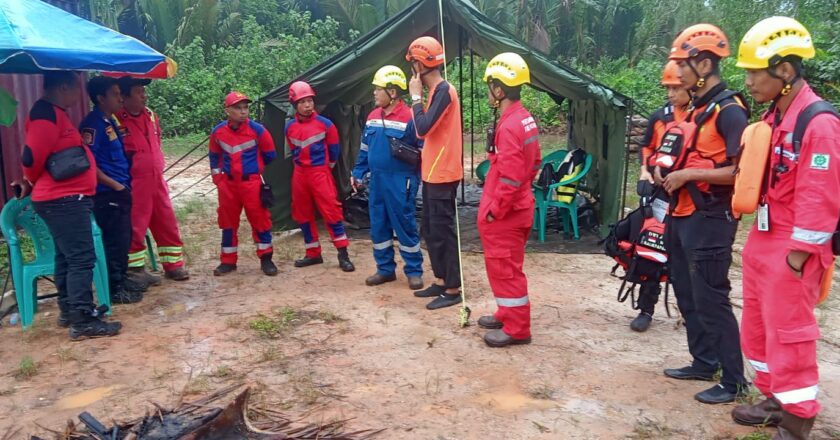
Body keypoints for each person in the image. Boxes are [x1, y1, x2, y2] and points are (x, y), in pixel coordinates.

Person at [731, 17, 839, 439]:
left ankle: (799, 417)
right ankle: (776, 396)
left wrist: (798, 255)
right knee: (757, 326)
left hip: (793, 247)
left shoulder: (819, 122)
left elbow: (821, 195)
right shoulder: (777, 116)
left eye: (756, 71)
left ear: (785, 70)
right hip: (765, 239)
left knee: (790, 333)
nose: (750, 80)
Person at [656, 24, 750, 404]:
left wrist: (688, 173)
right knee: (685, 289)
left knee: (712, 296)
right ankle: (703, 360)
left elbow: (738, 171)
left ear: (705, 63)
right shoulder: (697, 109)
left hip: (711, 218)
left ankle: (733, 380)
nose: (678, 73)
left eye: (684, 64)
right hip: (683, 213)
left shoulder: (730, 111)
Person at [22, 71, 122, 339]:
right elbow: (31, 159)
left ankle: (69, 311)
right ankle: (82, 319)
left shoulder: (54, 112)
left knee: (66, 256)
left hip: (65, 198)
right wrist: (32, 180)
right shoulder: (45, 115)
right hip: (62, 199)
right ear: (63, 87)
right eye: (76, 88)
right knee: (81, 258)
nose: (79, 94)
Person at [476, 53, 541, 347]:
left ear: (499, 89)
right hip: (521, 205)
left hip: (507, 213)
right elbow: (534, 163)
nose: (489, 91)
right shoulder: (524, 119)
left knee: (505, 268)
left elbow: (512, 177)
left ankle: (517, 328)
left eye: (491, 86)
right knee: (508, 266)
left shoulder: (510, 125)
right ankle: (507, 311)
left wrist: (494, 211)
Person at [630, 60, 690, 332]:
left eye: (676, 88)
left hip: (691, 199)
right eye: (668, 88)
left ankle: (691, 311)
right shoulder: (660, 117)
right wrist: (646, 170)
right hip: (660, 195)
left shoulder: (704, 117)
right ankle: (646, 308)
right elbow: (646, 147)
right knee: (652, 248)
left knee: (687, 257)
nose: (671, 94)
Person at [351, 66, 424, 289]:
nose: (374, 93)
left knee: (404, 225)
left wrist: (418, 179)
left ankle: (413, 271)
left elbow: (423, 150)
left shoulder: (411, 117)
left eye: (378, 89)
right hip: (377, 182)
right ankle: (385, 269)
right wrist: (358, 172)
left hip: (401, 181)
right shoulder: (372, 117)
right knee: (378, 225)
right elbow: (365, 148)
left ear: (392, 92)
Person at [405, 36, 464, 310]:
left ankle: (453, 288)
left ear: (419, 64)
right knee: (430, 229)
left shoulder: (443, 91)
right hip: (432, 172)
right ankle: (441, 280)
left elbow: (422, 128)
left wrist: (414, 96)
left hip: (443, 173)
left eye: (413, 63)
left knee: (443, 231)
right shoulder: (436, 91)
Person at [114, 76, 190, 283]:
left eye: (143, 92)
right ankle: (136, 268)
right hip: (135, 181)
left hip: (157, 179)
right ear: (125, 97)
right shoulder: (116, 119)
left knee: (166, 220)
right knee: (136, 224)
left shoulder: (151, 116)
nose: (144, 96)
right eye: (139, 92)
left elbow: (157, 141)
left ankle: (173, 265)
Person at [80, 76, 146, 305]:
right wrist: (115, 185)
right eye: (115, 94)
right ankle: (114, 288)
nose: (120, 98)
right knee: (114, 241)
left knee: (123, 238)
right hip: (107, 193)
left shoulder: (110, 121)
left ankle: (121, 278)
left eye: (120, 93)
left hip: (120, 189)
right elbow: (89, 163)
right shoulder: (93, 125)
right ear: (100, 98)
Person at [284, 81, 355, 272]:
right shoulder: (289, 127)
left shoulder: (326, 125)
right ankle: (313, 253)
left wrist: (323, 169)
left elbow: (334, 152)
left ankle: (343, 255)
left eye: (310, 101)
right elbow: (292, 150)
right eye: (303, 102)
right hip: (300, 174)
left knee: (331, 212)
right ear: (294, 105)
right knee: (302, 213)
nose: (308, 105)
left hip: (320, 173)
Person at [209, 92, 279, 277]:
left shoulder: (258, 130)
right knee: (228, 223)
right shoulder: (218, 132)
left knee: (260, 221)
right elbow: (214, 156)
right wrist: (219, 179)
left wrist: (254, 168)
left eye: (245, 107)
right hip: (228, 185)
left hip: (251, 184)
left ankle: (266, 259)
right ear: (227, 111)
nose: (243, 112)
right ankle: (228, 262)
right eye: (238, 108)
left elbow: (270, 154)